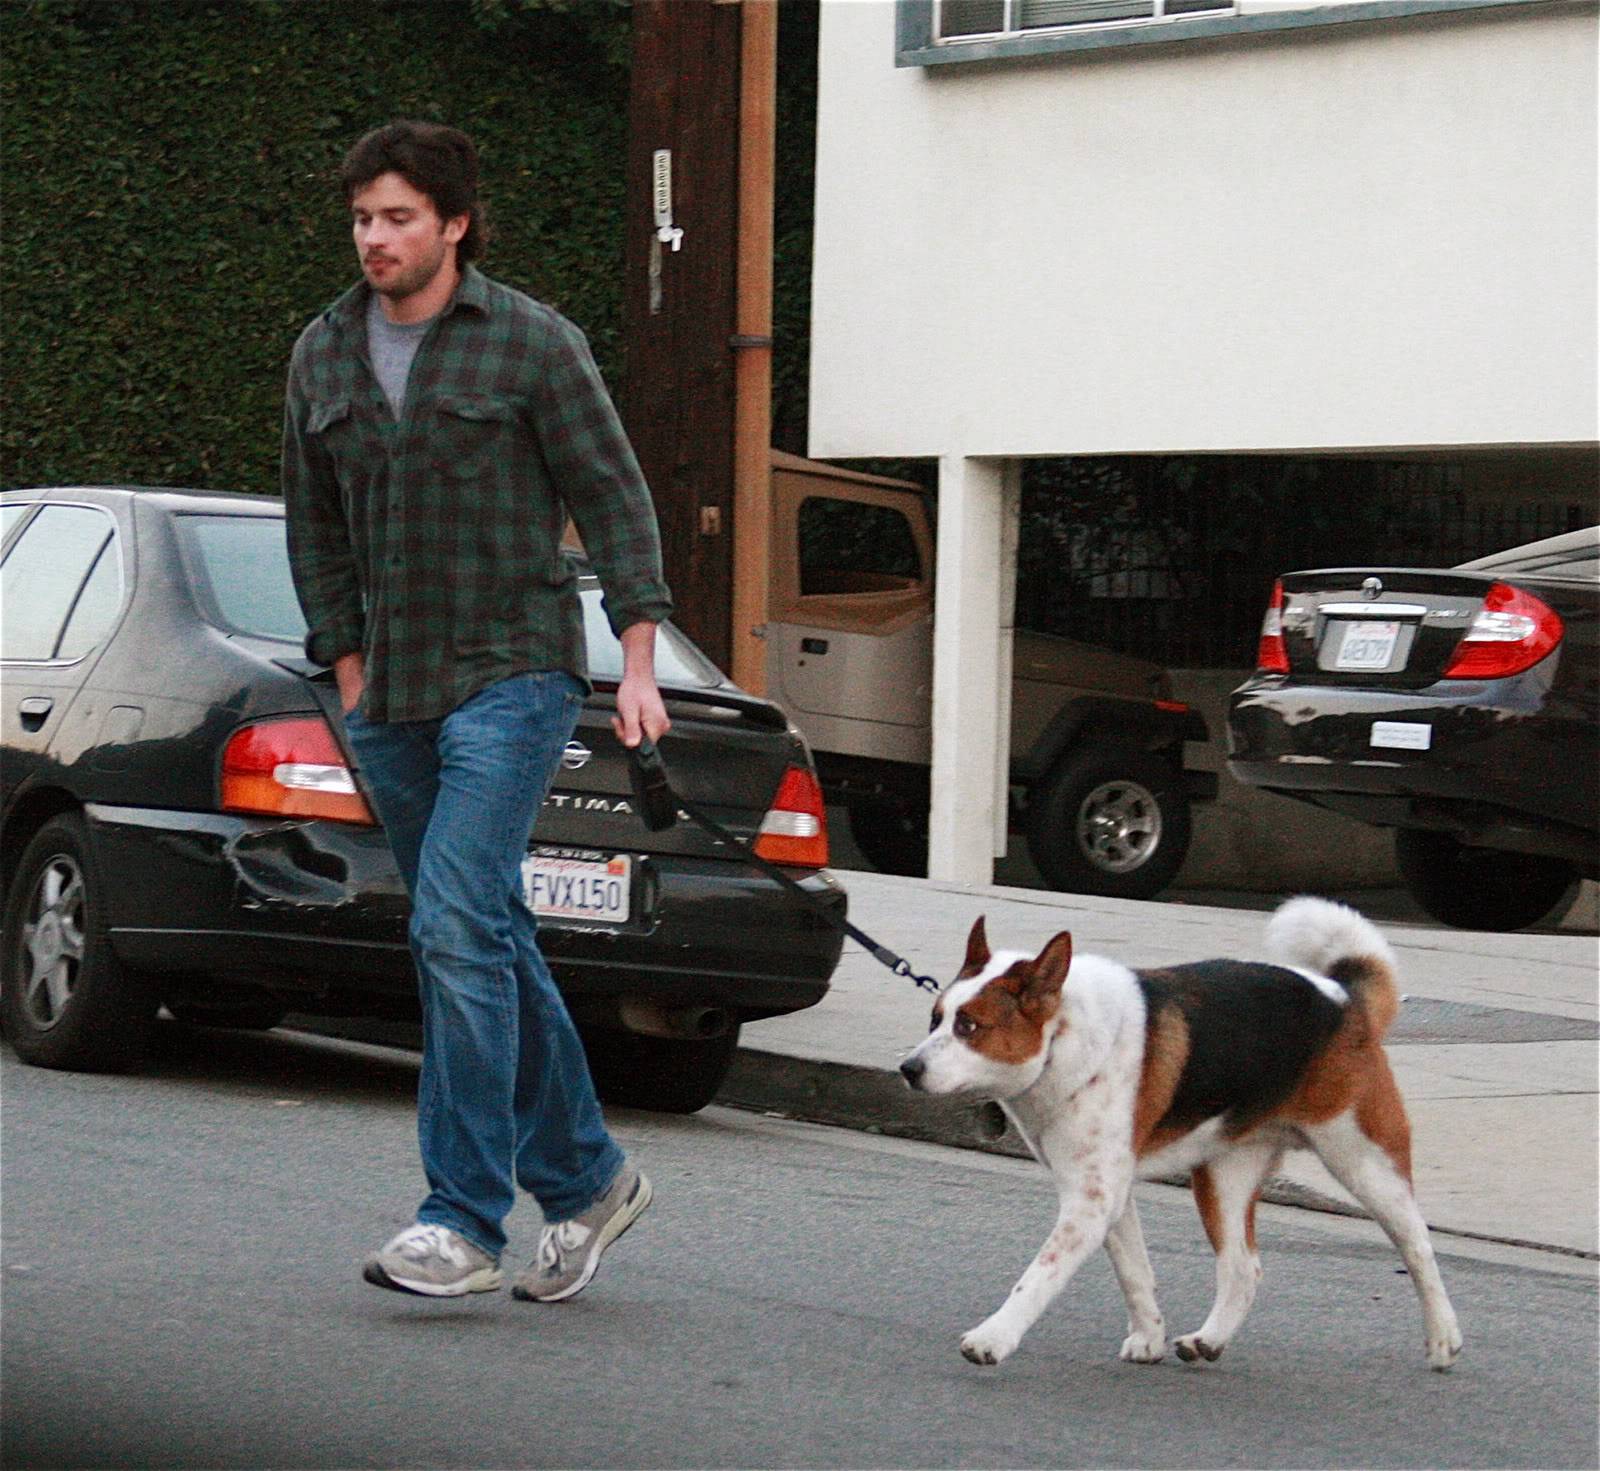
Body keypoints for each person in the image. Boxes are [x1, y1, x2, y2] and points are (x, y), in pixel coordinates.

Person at [282, 120, 672, 1302]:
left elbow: (614, 499)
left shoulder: (530, 343)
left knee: (452, 918)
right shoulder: (322, 355)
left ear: (453, 223)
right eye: (362, 219)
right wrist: (346, 673)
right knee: (483, 932)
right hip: (388, 690)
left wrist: (642, 660)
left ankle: (459, 1216)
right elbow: (315, 531)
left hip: (512, 673)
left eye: (398, 217)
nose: (375, 239)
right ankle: (588, 1176)